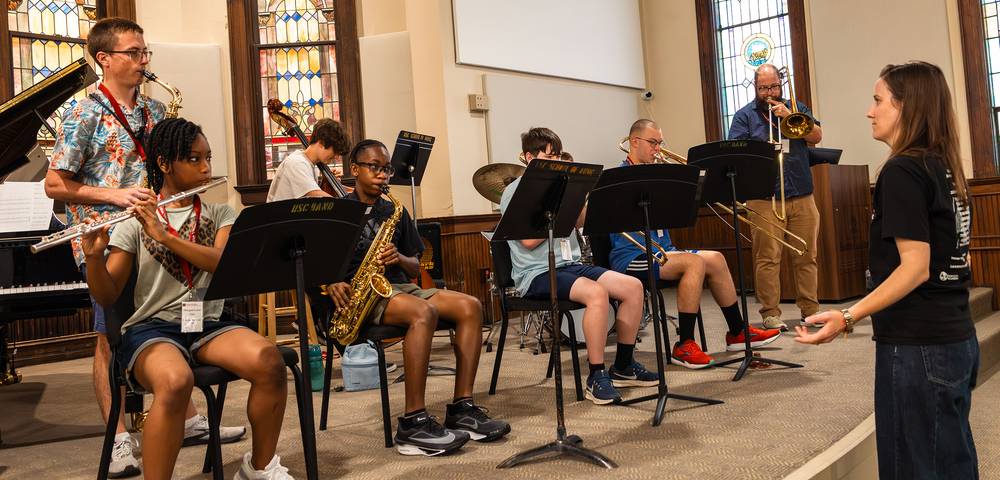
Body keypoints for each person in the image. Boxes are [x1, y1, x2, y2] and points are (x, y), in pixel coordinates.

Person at [44, 18, 241, 478]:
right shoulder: (83, 111)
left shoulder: (154, 111)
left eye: (145, 52)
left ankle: (188, 418)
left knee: (166, 322)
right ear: (104, 59)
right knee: (109, 337)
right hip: (105, 235)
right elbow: (55, 184)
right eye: (133, 53)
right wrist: (114, 195)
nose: (143, 61)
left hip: (156, 233)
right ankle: (117, 440)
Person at [81, 118, 293, 480]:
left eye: (207, 158)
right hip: (152, 329)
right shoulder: (133, 223)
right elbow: (106, 295)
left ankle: (258, 469)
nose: (206, 168)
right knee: (175, 381)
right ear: (164, 164)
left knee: (269, 361)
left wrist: (165, 236)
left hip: (208, 324)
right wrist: (93, 258)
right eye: (194, 159)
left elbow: (224, 262)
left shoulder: (220, 213)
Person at [797, 61, 977, 479]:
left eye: (878, 101)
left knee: (913, 467)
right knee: (952, 461)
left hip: (918, 346)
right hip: (956, 336)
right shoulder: (944, 165)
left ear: (905, 107)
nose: (869, 110)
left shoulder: (902, 170)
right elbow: (958, 256)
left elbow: (915, 269)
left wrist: (845, 316)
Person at [324, 139, 510, 456]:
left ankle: (462, 408)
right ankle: (413, 422)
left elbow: (414, 265)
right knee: (423, 312)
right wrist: (329, 282)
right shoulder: (338, 212)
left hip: (397, 286)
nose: (382, 174)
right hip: (361, 294)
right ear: (354, 170)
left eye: (386, 169)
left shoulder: (394, 209)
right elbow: (317, 261)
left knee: (470, 306)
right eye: (374, 167)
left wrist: (398, 257)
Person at [501, 127, 659, 405]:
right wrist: (561, 209)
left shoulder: (557, 188)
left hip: (569, 264)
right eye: (550, 156)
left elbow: (582, 222)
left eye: (559, 155)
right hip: (536, 273)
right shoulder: (515, 192)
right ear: (528, 157)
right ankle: (596, 376)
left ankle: (623, 365)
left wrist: (580, 195)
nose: (557, 161)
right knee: (596, 294)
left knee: (633, 287)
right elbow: (527, 241)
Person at [609, 119, 781, 369]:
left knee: (716, 259)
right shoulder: (622, 177)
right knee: (694, 263)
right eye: (653, 143)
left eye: (660, 143)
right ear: (634, 142)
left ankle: (737, 332)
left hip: (663, 251)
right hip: (632, 256)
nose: (658, 149)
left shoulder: (658, 173)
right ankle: (685, 344)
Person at [728, 63, 824, 331]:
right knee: (767, 258)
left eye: (773, 86)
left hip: (801, 193)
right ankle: (770, 312)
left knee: (807, 254)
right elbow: (738, 154)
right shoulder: (744, 116)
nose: (769, 92)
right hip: (764, 196)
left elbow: (817, 136)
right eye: (763, 87)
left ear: (780, 85)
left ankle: (811, 310)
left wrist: (789, 115)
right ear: (755, 87)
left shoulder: (797, 107)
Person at [266, 118, 350, 202]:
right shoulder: (296, 162)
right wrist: (344, 204)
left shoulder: (310, 165)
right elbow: (318, 197)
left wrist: (327, 183)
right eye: (335, 151)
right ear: (321, 143)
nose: (337, 157)